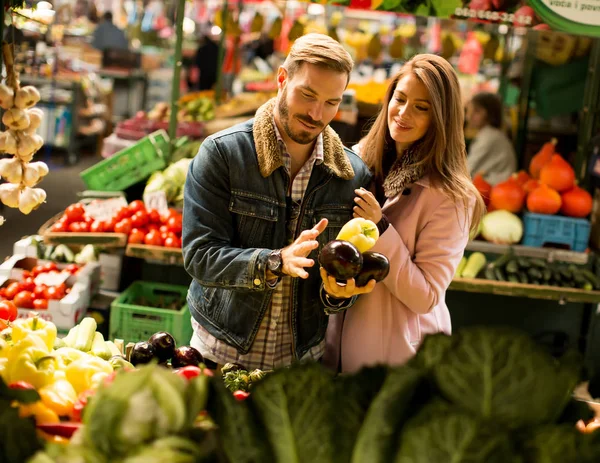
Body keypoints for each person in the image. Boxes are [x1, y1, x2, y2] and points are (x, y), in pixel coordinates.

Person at [182, 33, 375, 372]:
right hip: (220, 351)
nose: (317, 113)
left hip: (300, 361)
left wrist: (340, 292)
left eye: (332, 102)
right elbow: (200, 255)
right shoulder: (223, 154)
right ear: (282, 79)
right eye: (308, 94)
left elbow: (340, 280)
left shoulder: (351, 175)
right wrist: (275, 261)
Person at [324, 54, 485, 373]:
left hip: (399, 360)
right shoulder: (355, 164)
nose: (404, 113)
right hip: (335, 348)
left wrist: (381, 229)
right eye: (400, 99)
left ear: (441, 118)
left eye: (421, 107)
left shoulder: (451, 196)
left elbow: (426, 296)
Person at [465, 92, 517, 185]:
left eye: (477, 111)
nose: (470, 115)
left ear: (490, 114)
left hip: (495, 188)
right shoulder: (490, 134)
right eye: (470, 110)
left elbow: (468, 169)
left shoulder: (489, 137)